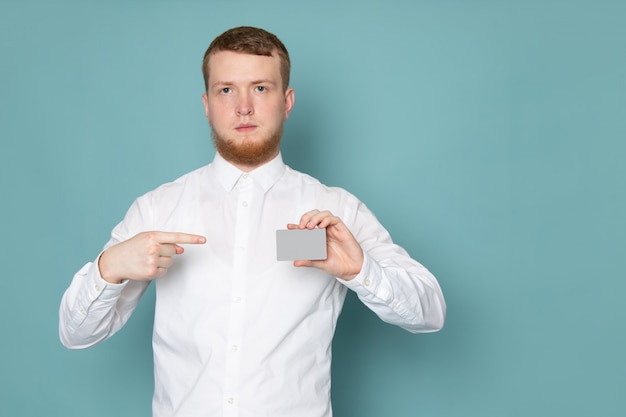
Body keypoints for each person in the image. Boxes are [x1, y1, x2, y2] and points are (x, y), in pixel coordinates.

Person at [59, 26, 446, 417]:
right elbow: (76, 334)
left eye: (260, 88)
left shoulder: (336, 210)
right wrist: (108, 269)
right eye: (226, 90)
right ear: (207, 103)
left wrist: (361, 270)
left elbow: (430, 313)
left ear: (287, 100)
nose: (243, 107)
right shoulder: (157, 209)